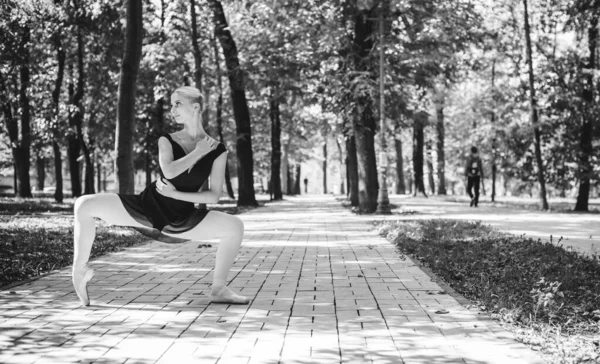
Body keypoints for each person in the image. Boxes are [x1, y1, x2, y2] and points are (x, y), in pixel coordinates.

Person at [72, 86, 249, 306]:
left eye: (178, 104)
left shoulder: (218, 150)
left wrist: (177, 193)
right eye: (172, 104)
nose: (172, 110)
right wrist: (198, 152)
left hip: (182, 218)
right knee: (83, 205)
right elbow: (170, 171)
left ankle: (219, 289)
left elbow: (213, 196)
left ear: (195, 107)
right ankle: (79, 271)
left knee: (235, 226)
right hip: (147, 208)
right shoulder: (166, 140)